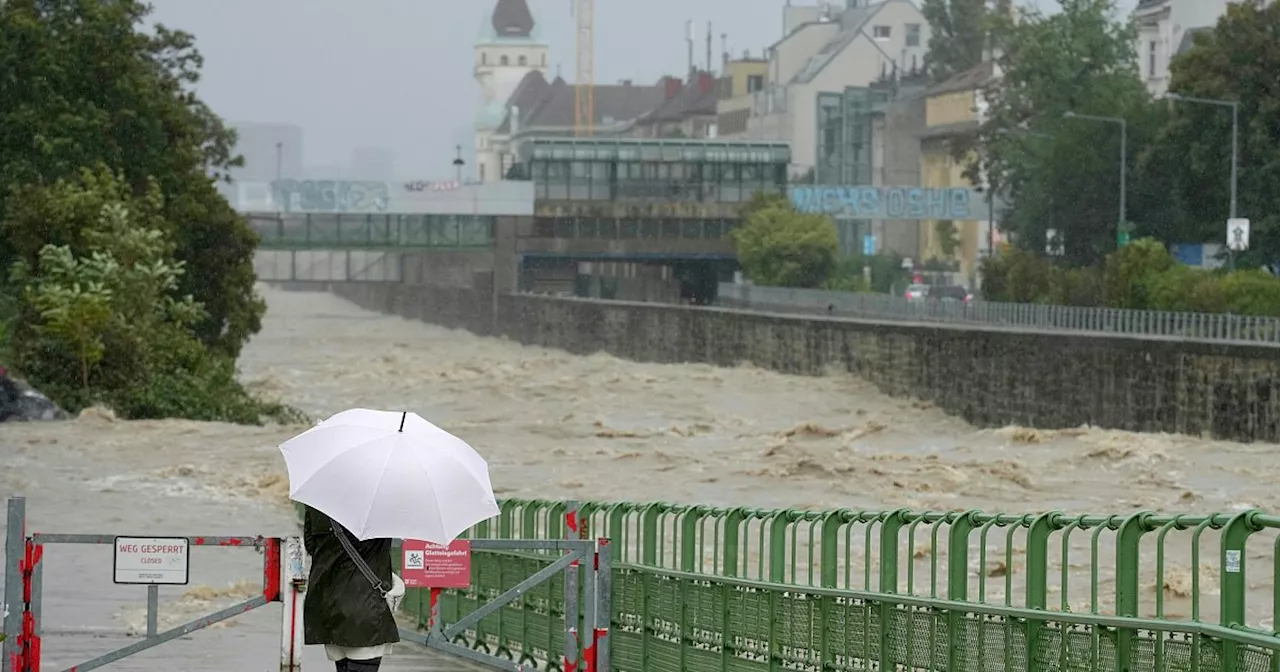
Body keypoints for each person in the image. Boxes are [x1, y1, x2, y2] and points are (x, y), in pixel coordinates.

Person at [302, 505, 400, 672]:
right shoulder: (380, 506)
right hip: (365, 609)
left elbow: (311, 546)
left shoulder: (318, 503)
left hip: (329, 607)